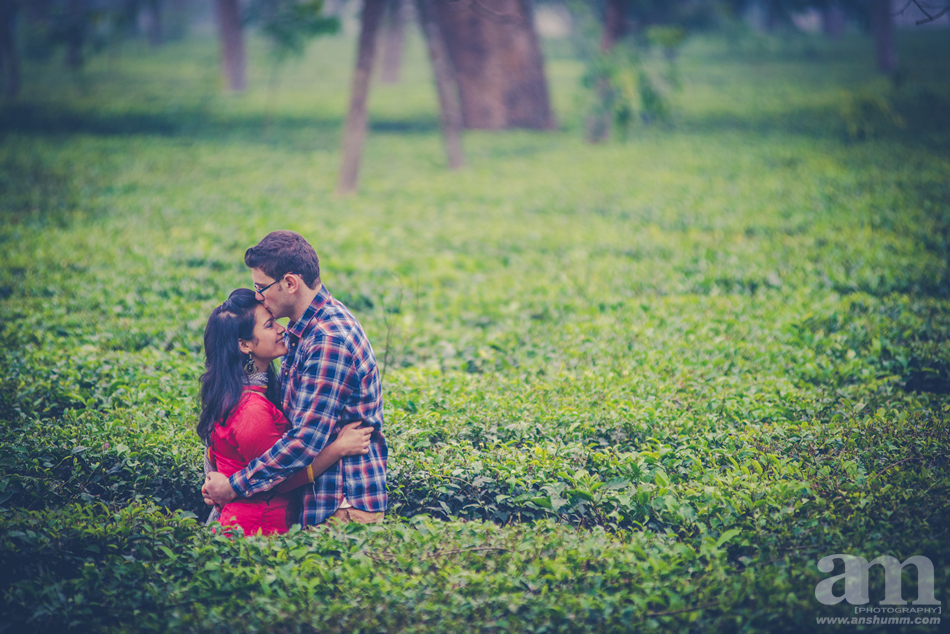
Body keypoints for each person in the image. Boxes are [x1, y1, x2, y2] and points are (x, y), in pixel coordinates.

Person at [202, 231, 388, 526]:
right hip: (322, 503)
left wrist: (233, 487)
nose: (258, 296)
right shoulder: (302, 332)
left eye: (261, 287)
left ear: (290, 283)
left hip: (340, 506)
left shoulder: (328, 340)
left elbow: (304, 441)